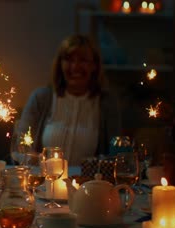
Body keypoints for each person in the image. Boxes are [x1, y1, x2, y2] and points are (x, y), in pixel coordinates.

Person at [18, 34, 121, 165]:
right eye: (69, 60)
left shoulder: (107, 103)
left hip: (86, 183)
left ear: (94, 65)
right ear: (60, 64)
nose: (75, 67)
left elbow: (115, 155)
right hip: (44, 182)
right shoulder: (41, 98)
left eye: (82, 60)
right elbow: (21, 148)